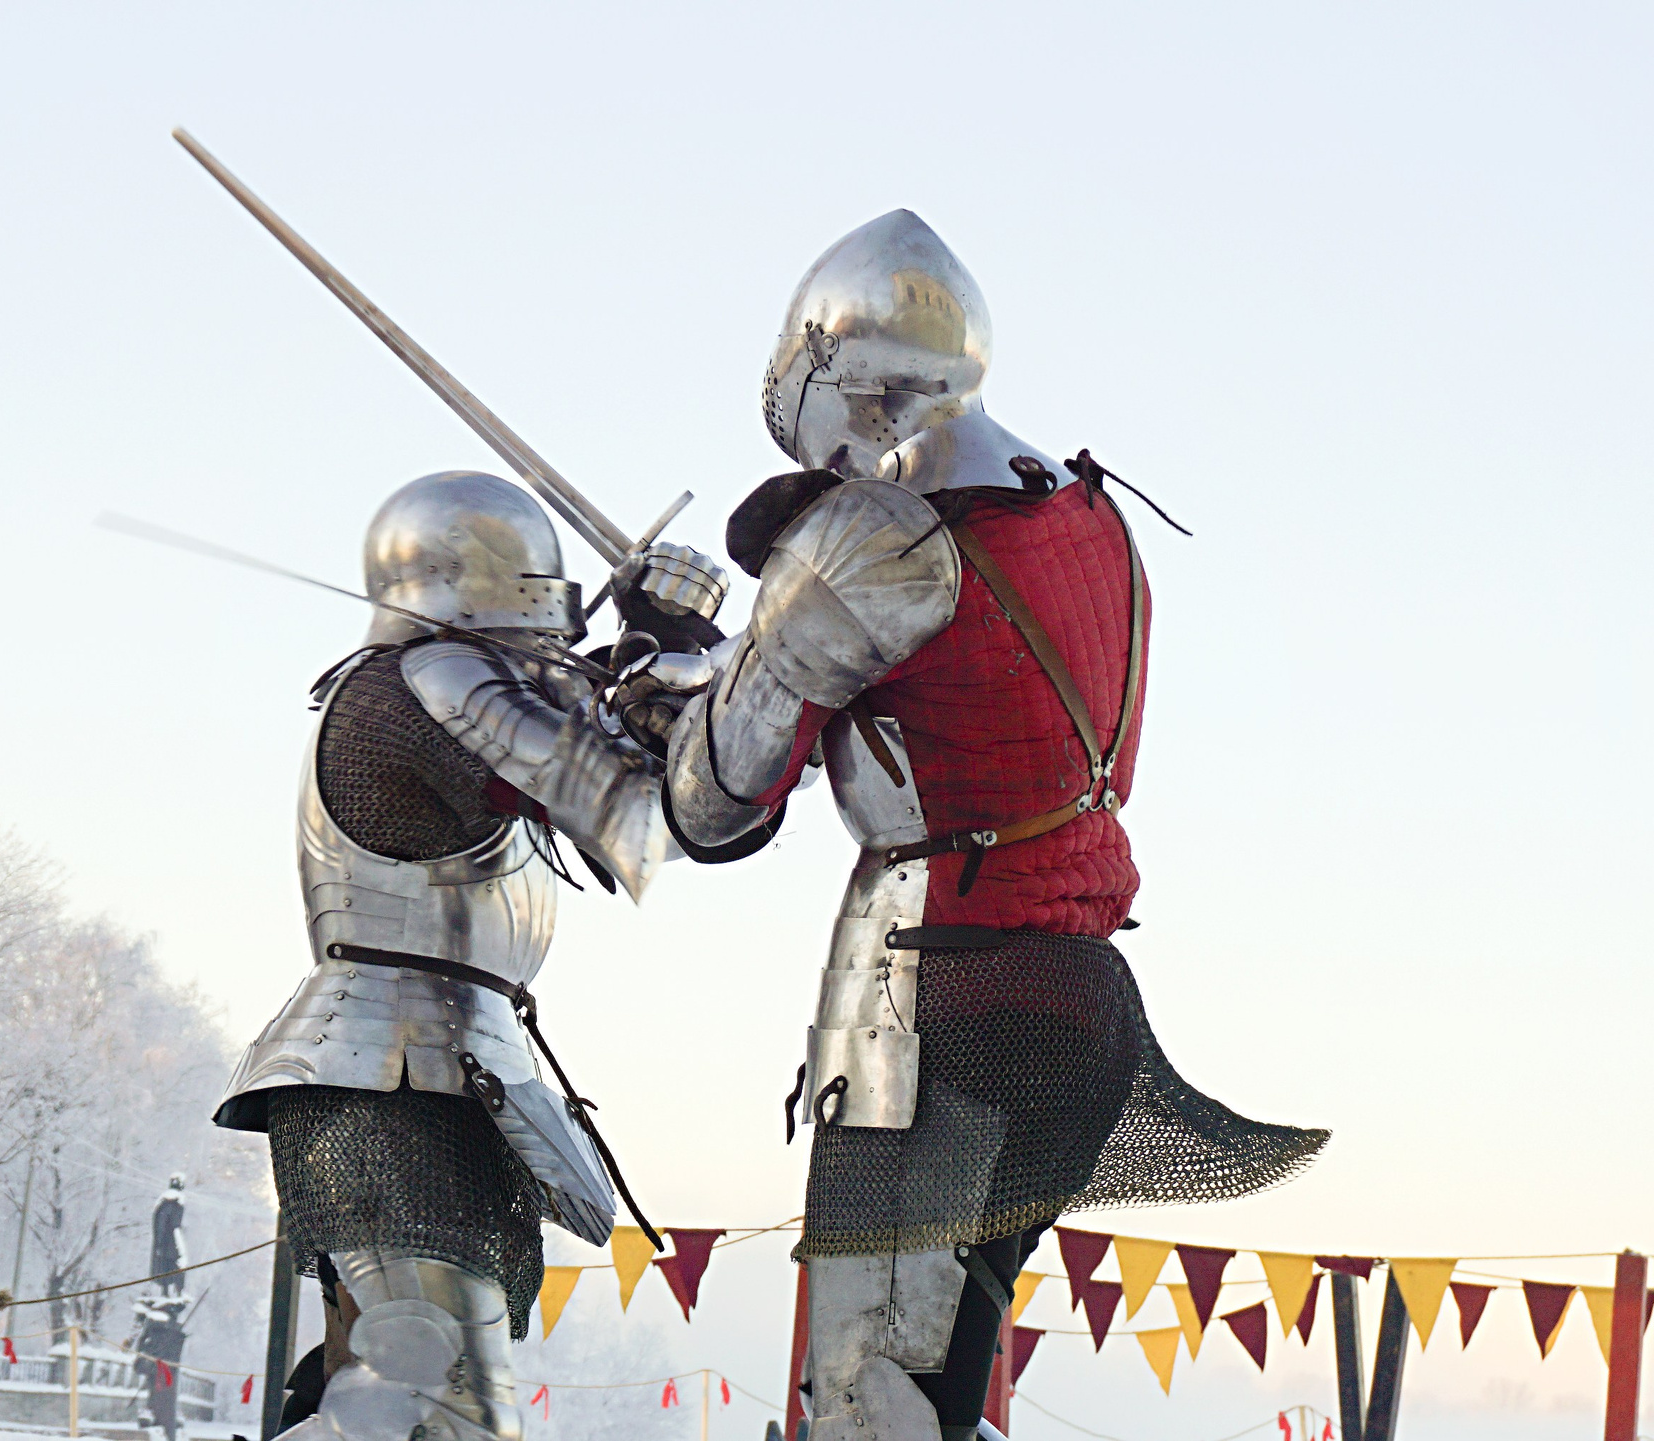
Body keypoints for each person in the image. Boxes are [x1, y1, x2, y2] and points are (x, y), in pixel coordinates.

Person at [655, 212, 1329, 1441]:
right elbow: (960, 718)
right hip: (1072, 995)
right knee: (939, 1386)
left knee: (873, 1394)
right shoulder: (1089, 514)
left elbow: (712, 803)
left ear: (843, 385)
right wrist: (747, 645)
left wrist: (697, 667)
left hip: (933, 991)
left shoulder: (875, 539)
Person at [215, 470, 723, 1441]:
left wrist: (666, 657)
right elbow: (601, 789)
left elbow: (624, 781)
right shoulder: (419, 685)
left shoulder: (450, 687)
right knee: (432, 1402)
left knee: (397, 1392)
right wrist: (664, 655)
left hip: (448, 1072)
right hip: (382, 1065)